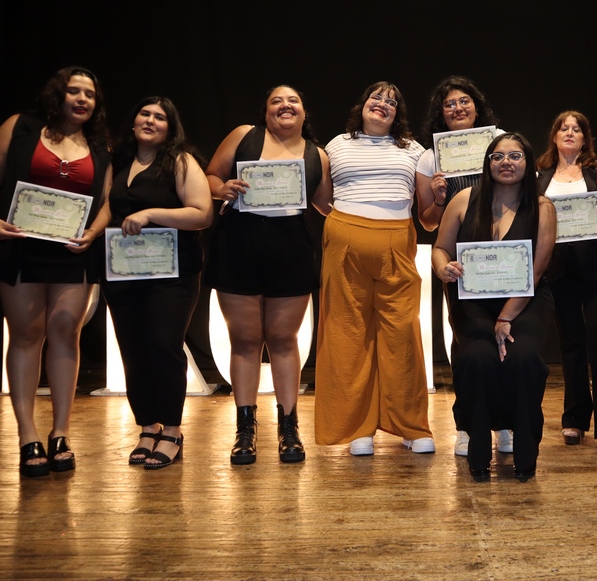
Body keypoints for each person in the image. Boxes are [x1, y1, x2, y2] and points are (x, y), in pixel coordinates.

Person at [0, 66, 111, 477]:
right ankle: (27, 435)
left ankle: (61, 433)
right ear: (58, 94)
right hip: (21, 246)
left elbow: (108, 200)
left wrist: (93, 232)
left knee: (66, 332)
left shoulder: (99, 144)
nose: (82, 99)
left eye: (90, 93)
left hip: (73, 251)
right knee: (27, 334)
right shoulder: (20, 127)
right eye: (74, 91)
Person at [205, 85, 332, 465]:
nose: (285, 105)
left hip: (292, 249)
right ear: (265, 112)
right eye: (277, 101)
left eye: (293, 100)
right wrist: (222, 188)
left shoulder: (318, 155)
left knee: (283, 339)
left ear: (304, 112)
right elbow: (210, 176)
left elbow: (325, 204)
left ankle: (288, 428)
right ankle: (245, 430)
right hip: (238, 245)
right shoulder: (244, 135)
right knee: (245, 340)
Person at [314, 81, 434, 456]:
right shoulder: (336, 145)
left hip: (396, 240)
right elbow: (321, 199)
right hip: (344, 240)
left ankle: (411, 425)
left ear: (398, 114)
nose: (382, 104)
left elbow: (427, 212)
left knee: (402, 333)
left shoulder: (414, 150)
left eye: (391, 102)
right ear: (362, 104)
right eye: (376, 97)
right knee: (347, 333)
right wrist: (349, 224)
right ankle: (357, 428)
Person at [432, 133, 556, 480]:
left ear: (528, 163)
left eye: (515, 156)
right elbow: (440, 249)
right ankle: (477, 447)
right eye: (498, 157)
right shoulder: (463, 200)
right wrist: (443, 268)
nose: (506, 163)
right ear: (487, 164)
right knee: (477, 358)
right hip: (473, 301)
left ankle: (525, 453)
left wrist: (506, 317)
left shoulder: (543, 207)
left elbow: (537, 271)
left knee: (524, 358)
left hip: (526, 300)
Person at [103, 97, 213, 470]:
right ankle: (148, 428)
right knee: (133, 349)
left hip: (172, 272)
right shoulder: (117, 160)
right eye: (145, 114)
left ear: (170, 127)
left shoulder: (180, 161)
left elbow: (202, 214)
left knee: (164, 346)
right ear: (133, 120)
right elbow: (104, 207)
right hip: (123, 269)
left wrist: (150, 213)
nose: (151, 121)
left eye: (160, 117)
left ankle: (173, 431)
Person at [415, 75, 511, 457]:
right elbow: (427, 222)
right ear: (440, 114)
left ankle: (505, 423)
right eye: (449, 104)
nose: (457, 108)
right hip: (459, 264)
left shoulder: (500, 141)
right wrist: (439, 198)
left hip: (505, 257)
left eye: (464, 101)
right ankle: (468, 425)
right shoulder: (430, 157)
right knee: (467, 346)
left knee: (507, 338)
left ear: (477, 106)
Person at [536, 111, 597, 452]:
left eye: (576, 129)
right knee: (571, 342)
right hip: (557, 266)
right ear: (554, 135)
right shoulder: (540, 174)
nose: (570, 132)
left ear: (585, 137)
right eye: (564, 128)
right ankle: (575, 419)